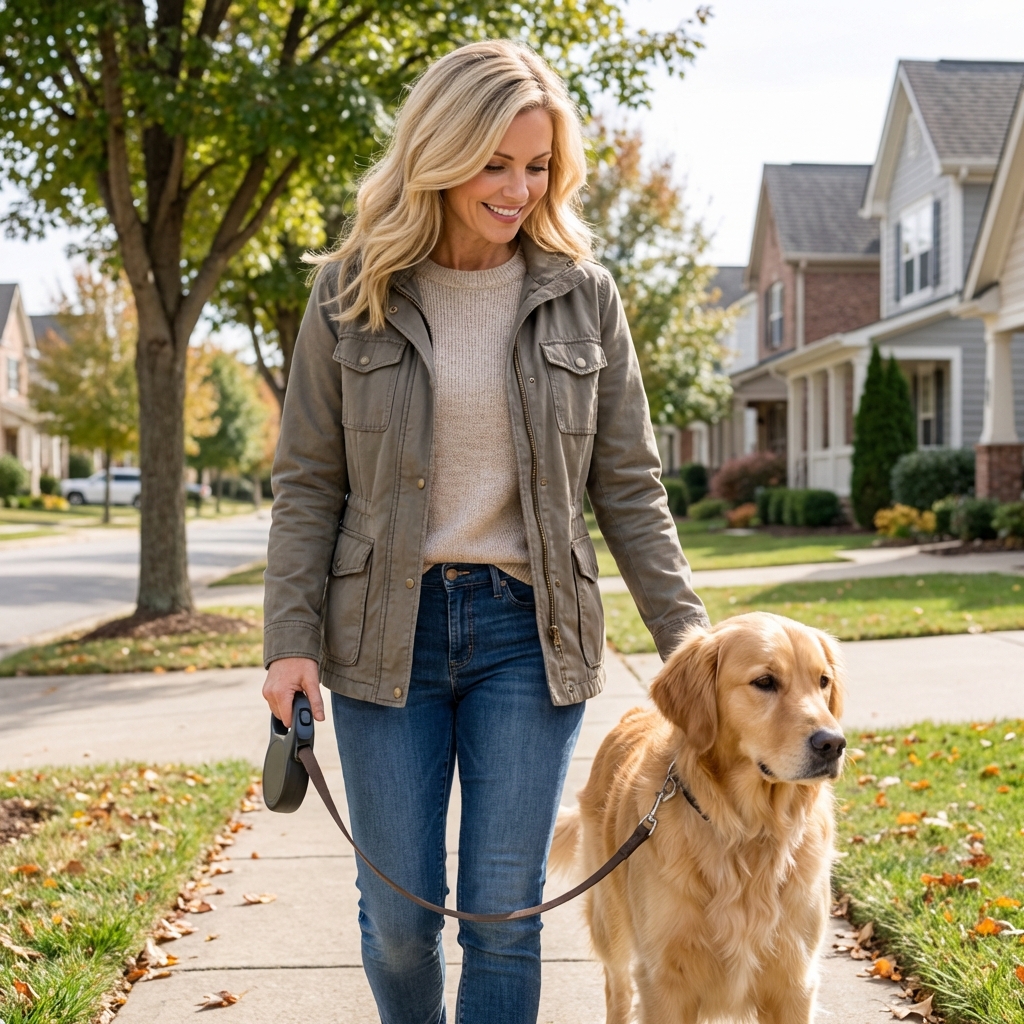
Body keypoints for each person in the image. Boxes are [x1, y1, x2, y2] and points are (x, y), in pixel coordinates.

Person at [261, 39, 707, 1024]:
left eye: (538, 165)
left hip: (528, 633)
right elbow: (307, 484)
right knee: (396, 915)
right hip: (386, 634)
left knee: (504, 912)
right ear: (439, 150)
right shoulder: (350, 293)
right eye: (495, 163)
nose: (518, 188)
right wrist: (289, 642)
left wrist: (693, 648)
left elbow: (629, 487)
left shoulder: (581, 293)